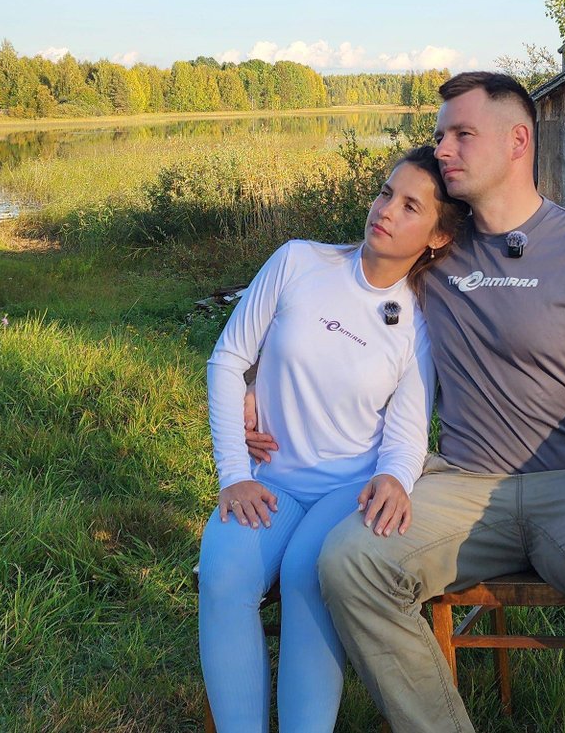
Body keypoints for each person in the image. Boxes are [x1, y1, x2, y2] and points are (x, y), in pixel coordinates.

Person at [250, 72, 565, 732]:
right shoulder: (434, 242)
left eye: (462, 134)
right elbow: (327, 292)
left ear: (517, 141)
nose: (443, 148)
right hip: (461, 482)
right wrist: (252, 379)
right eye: (440, 135)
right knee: (349, 562)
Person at [198, 144, 466, 733]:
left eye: (410, 206)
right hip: (268, 481)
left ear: (438, 237)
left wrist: (395, 477)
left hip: (349, 489)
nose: (385, 210)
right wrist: (234, 474)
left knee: (307, 572)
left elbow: (406, 430)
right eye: (386, 192)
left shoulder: (419, 321)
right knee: (221, 573)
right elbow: (228, 360)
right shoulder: (298, 261)